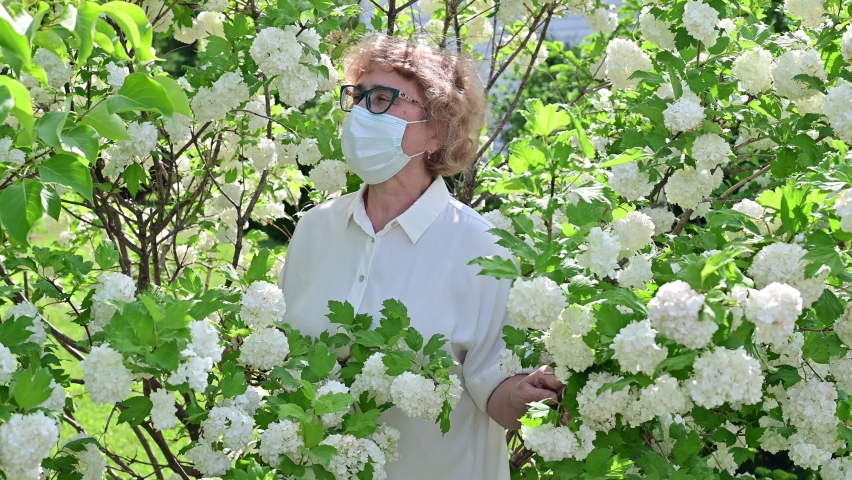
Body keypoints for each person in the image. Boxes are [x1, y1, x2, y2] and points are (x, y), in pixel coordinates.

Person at [277, 33, 562, 479]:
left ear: (438, 130)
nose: (362, 113)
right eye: (357, 95)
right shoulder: (315, 229)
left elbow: (497, 387)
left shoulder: (481, 248)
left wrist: (533, 396)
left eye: (385, 98)